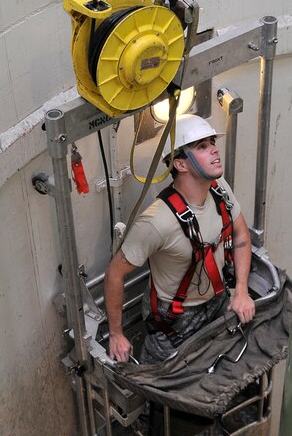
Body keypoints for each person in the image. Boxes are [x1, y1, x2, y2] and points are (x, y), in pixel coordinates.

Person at [104, 114, 255, 365]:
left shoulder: (219, 189)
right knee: (163, 383)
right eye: (202, 146)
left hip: (217, 301)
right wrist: (116, 334)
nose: (215, 150)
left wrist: (241, 291)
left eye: (212, 142)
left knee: (219, 369)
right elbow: (115, 273)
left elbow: (240, 234)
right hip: (174, 320)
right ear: (181, 164)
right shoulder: (157, 222)